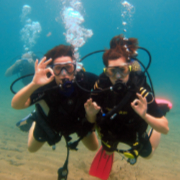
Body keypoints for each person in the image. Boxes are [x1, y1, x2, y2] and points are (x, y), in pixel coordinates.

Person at [86, 35, 169, 179]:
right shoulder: (101, 87)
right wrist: (91, 114)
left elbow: (165, 128)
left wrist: (146, 116)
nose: (118, 76)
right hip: (112, 128)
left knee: (148, 155)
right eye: (112, 71)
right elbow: (91, 121)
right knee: (108, 150)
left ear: (129, 69)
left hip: (134, 128)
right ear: (106, 72)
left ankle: (161, 108)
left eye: (123, 70)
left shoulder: (140, 91)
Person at [11, 45, 99, 178]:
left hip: (78, 121)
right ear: (52, 70)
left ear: (75, 67)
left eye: (68, 67)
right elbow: (16, 105)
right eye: (58, 68)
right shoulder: (45, 84)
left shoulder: (86, 80)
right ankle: (35, 117)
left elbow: (109, 88)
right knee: (31, 148)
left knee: (94, 147)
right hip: (51, 122)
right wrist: (34, 84)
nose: (64, 74)